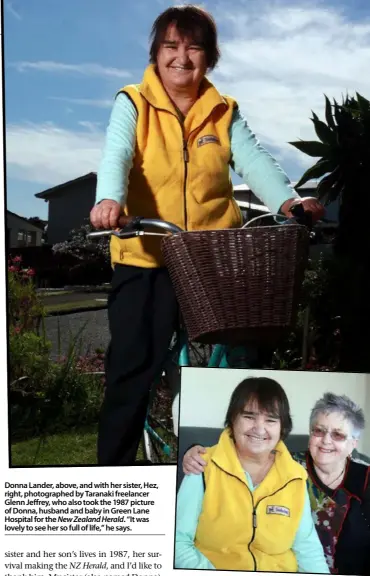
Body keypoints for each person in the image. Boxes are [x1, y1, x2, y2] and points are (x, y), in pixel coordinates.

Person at [90, 4, 325, 466]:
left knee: (247, 362)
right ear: (156, 54)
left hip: (213, 260)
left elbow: (254, 159)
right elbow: (116, 153)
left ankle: (246, 467)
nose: (182, 57)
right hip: (146, 256)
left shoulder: (223, 110)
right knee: (130, 372)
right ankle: (114, 481)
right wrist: (109, 200)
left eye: (194, 47)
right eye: (171, 46)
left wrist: (289, 201)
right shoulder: (133, 101)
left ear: (209, 58)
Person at [183, 392, 370, 575]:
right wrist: (193, 453)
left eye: (338, 435)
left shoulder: (365, 478)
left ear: (353, 443)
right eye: (319, 431)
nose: (326, 441)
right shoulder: (290, 467)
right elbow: (246, 454)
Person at [175, 376, 329, 572]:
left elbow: (308, 549)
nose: (259, 428)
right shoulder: (202, 466)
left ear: (282, 428)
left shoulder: (295, 478)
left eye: (271, 420)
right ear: (232, 420)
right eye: (249, 417)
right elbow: (177, 541)